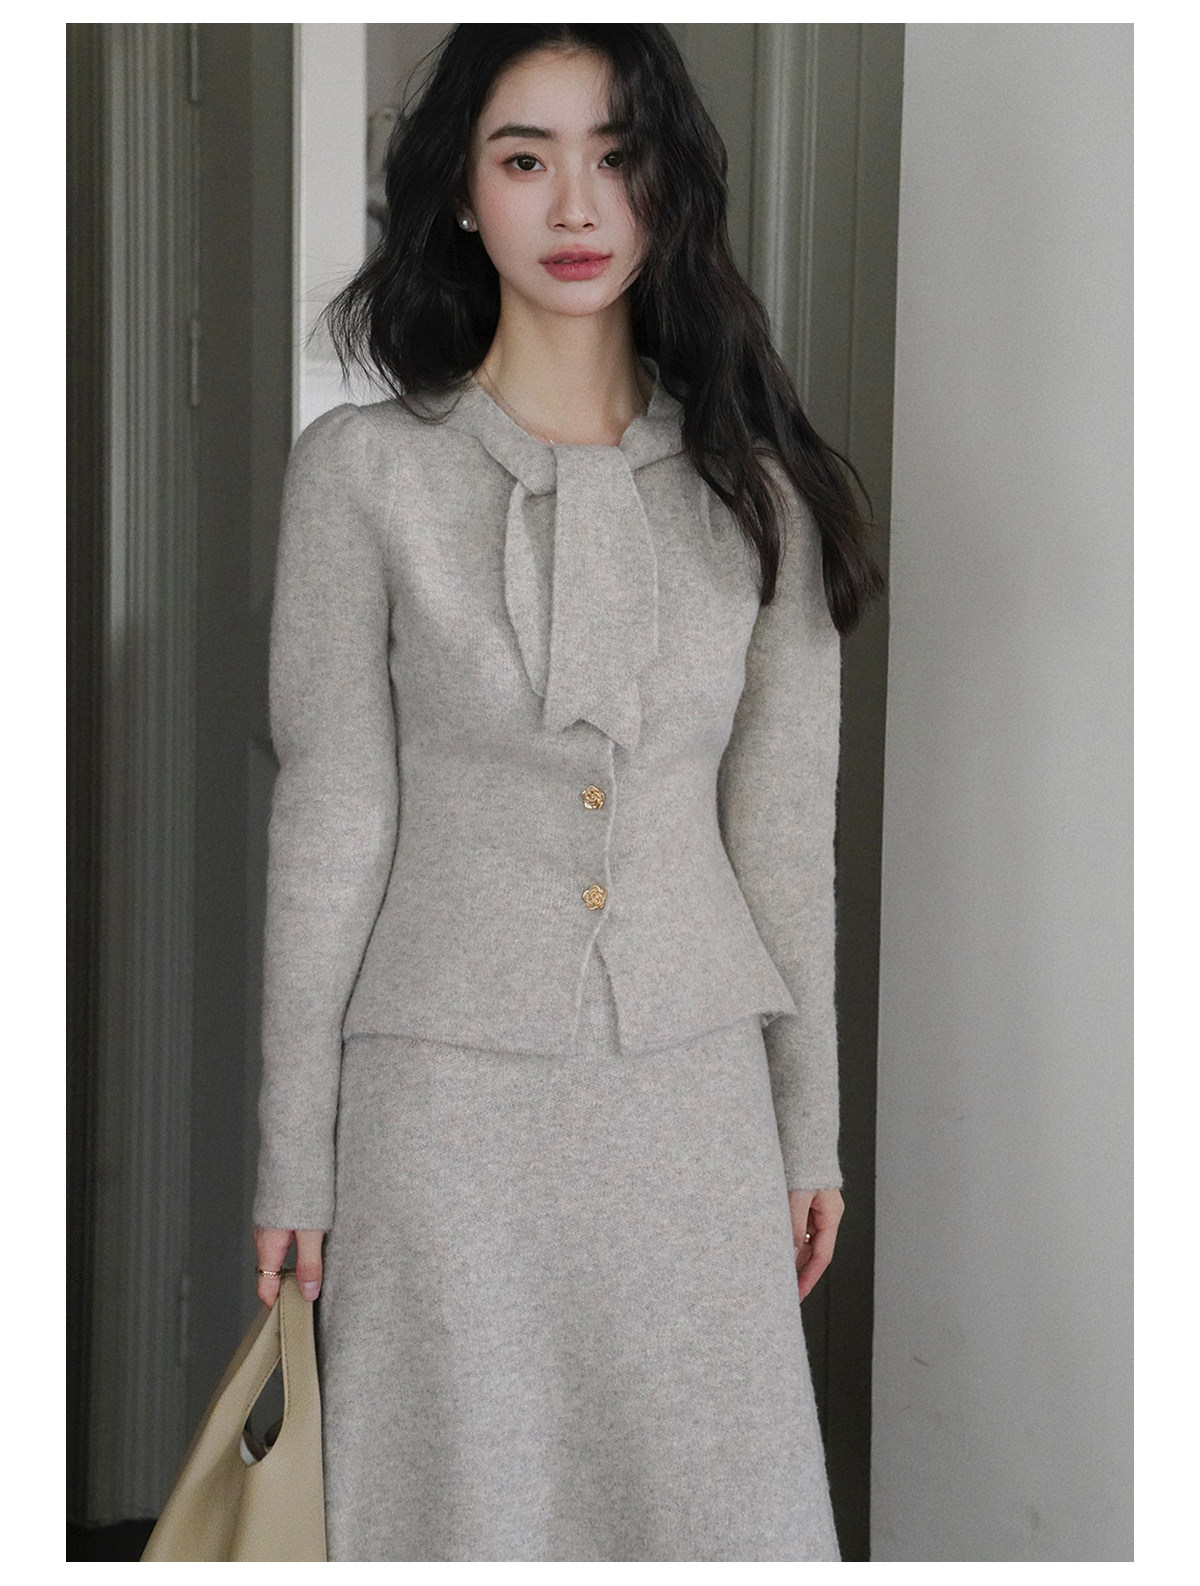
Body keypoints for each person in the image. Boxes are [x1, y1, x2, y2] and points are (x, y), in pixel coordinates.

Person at [251, 22, 882, 1563]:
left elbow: (783, 843)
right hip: (439, 1112)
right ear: (464, 195)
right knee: (451, 1506)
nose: (578, 204)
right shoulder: (360, 477)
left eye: (618, 156)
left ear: (669, 188)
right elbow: (331, 824)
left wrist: (808, 1128)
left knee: (713, 1509)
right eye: (526, 159)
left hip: (690, 1101)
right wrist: (293, 1152)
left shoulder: (762, 496)